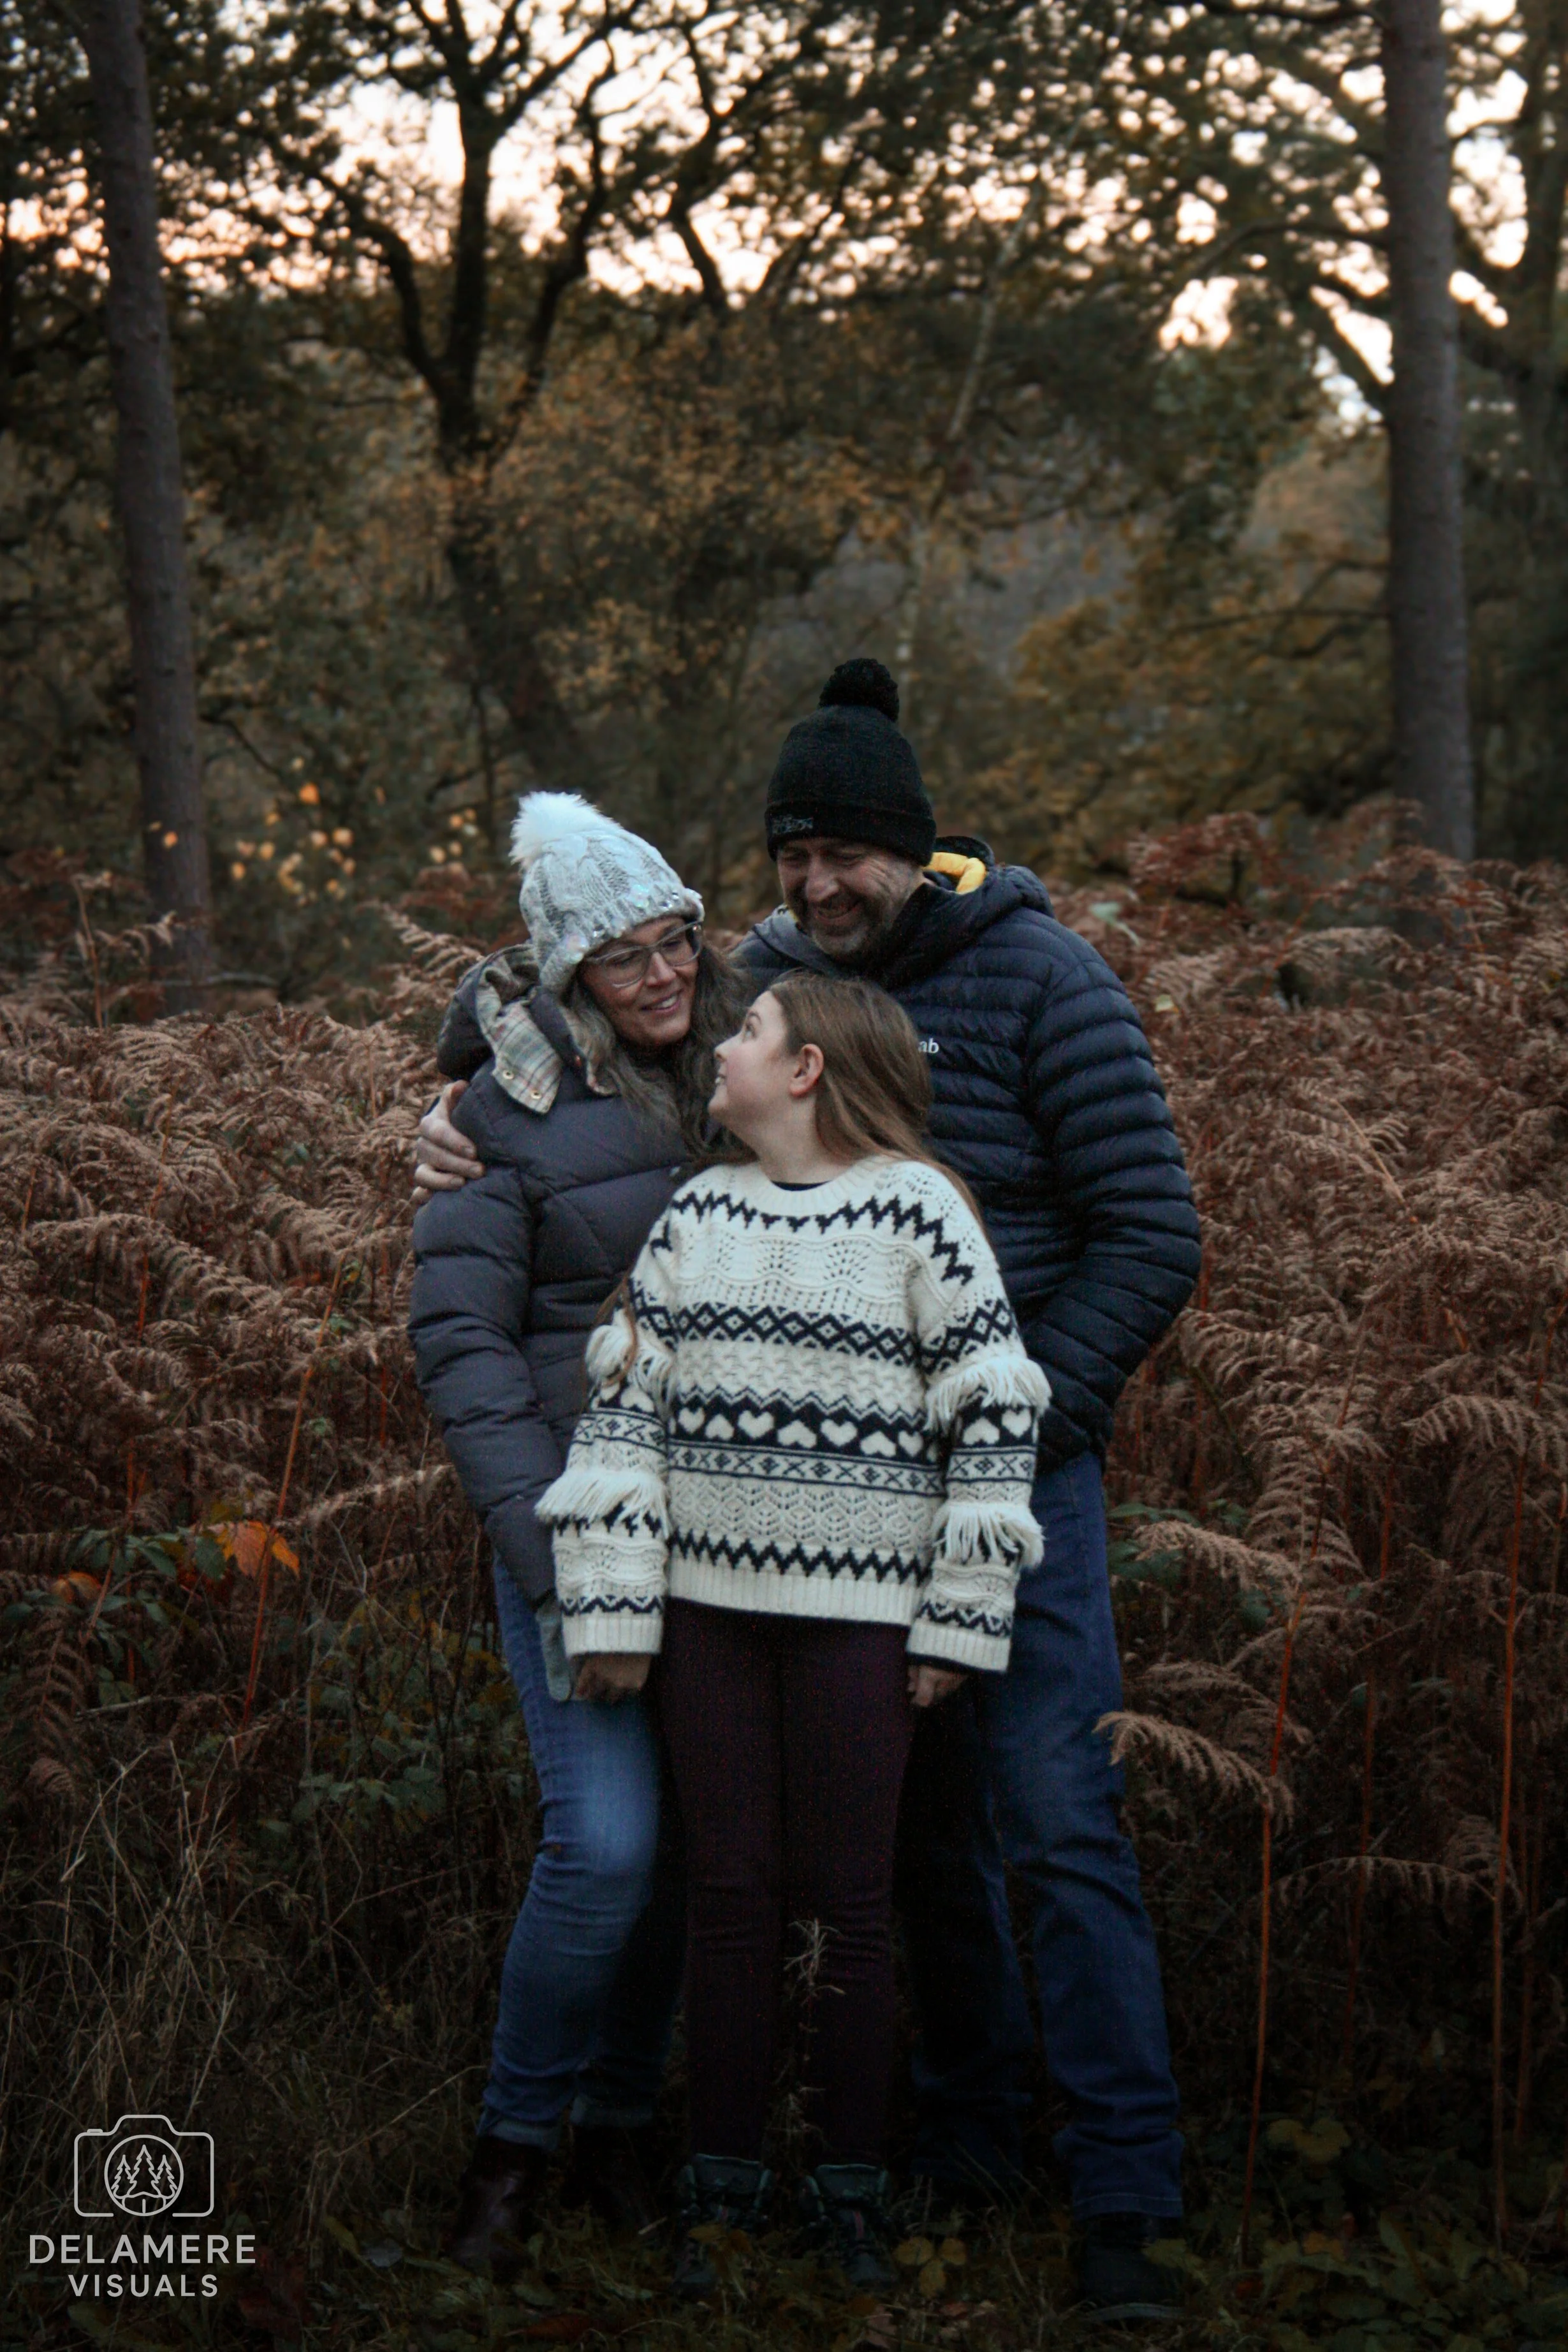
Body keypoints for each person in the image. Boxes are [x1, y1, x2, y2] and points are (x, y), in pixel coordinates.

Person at [413, 659, 1203, 2321]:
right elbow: (586, 1006)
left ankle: (1124, 2192)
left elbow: (1150, 1232)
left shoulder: (1046, 980)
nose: (812, 887)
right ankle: (955, 2138)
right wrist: (456, 1082)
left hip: (1012, 1480)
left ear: (914, 850)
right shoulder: (766, 978)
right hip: (795, 1524)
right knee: (898, 1847)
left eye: (844, 854)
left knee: (1056, 1823)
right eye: (790, 856)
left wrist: (993, 1442)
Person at [536, 972, 1050, 2298]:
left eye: (748, 1032)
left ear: (809, 1066)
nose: (722, 1046)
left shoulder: (918, 1209)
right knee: (725, 1898)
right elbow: (621, 1414)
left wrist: (957, 1619)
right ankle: (718, 2196)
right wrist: (610, 1607)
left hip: (863, 1632)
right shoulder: (696, 1213)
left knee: (854, 1909)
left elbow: (991, 1416)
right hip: (707, 1618)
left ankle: (848, 2195)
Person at [408, 791, 745, 2281]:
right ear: (566, 978)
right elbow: (466, 1358)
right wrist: (553, 1562)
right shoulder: (495, 1119)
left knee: (677, 1854)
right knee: (603, 1845)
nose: (663, 974)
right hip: (576, 1537)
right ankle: (512, 2148)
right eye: (624, 959)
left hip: (734, 1540)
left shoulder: (750, 1062)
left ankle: (619, 2128)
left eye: (675, 938)